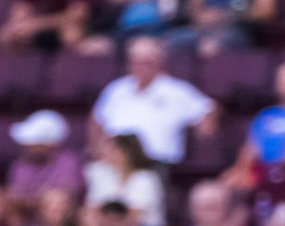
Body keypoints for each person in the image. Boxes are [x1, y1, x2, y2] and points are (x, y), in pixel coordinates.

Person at [90, 36, 214, 165]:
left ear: (159, 62)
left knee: (143, 181)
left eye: (145, 62)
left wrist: (205, 128)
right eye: (135, 61)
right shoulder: (116, 89)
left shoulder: (177, 90)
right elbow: (97, 118)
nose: (139, 67)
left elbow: (208, 108)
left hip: (155, 163)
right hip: (114, 160)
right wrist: (96, 148)